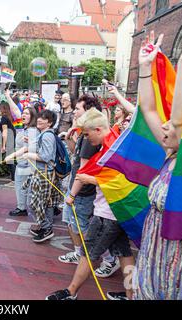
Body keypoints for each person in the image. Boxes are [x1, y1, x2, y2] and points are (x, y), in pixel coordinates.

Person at [133, 32, 182, 300]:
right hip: (153, 251)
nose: (163, 126)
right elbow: (149, 109)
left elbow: (175, 120)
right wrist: (144, 67)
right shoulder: (170, 153)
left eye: (172, 125)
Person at [46, 108, 135, 300]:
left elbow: (122, 181)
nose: (86, 139)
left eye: (87, 134)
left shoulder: (113, 150)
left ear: (97, 129)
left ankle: (71, 292)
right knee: (124, 253)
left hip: (107, 214)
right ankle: (131, 295)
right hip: (117, 212)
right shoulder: (114, 145)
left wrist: (91, 180)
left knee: (88, 253)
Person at [59, 95, 120, 280]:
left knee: (84, 229)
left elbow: (86, 170)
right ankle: (81, 255)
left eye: (78, 109)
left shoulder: (92, 139)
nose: (74, 112)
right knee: (74, 224)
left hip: (84, 193)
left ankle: (108, 260)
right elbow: (76, 157)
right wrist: (71, 138)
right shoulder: (85, 136)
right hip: (78, 188)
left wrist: (72, 194)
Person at [22, 110, 59, 243]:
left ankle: (46, 228)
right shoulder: (44, 134)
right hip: (41, 173)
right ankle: (45, 227)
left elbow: (46, 156)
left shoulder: (47, 135)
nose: (39, 120)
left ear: (50, 123)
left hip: (44, 174)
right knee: (44, 203)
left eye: (44, 119)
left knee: (35, 203)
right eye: (39, 117)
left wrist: (28, 155)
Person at [4, 107, 39, 216]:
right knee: (22, 187)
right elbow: (15, 111)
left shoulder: (32, 130)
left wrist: (11, 156)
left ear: (32, 117)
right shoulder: (24, 129)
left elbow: (27, 148)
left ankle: (22, 208)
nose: (23, 115)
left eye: (27, 114)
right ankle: (22, 207)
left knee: (23, 188)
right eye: (23, 113)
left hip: (27, 164)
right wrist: (8, 96)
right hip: (22, 163)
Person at [0, 101, 16, 185]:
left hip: (8, 140)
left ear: (2, 109)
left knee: (10, 161)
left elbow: (5, 132)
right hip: (12, 139)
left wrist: (3, 145)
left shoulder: (4, 118)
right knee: (10, 160)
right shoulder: (8, 117)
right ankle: (13, 178)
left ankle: (14, 180)